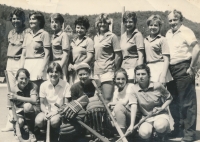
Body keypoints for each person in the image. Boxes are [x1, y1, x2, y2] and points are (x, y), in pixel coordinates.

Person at [166, 10, 199, 142]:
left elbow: (196, 49)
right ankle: (178, 129)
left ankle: (189, 134)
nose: (172, 23)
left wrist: (192, 67)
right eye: (170, 20)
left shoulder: (186, 31)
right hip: (171, 69)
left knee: (187, 102)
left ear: (181, 20)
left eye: (175, 20)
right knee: (174, 102)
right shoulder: (168, 33)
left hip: (183, 67)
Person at [126, 64, 173, 141]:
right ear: (135, 76)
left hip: (160, 115)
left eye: (143, 74)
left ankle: (162, 135)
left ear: (148, 75)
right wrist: (131, 125)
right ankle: (152, 134)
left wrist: (161, 108)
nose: (141, 76)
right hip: (146, 117)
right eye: (138, 74)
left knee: (160, 126)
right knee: (144, 133)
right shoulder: (133, 89)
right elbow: (133, 106)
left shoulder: (157, 86)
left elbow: (169, 98)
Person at [2, 8, 30, 132]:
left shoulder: (27, 32)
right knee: (10, 90)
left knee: (19, 91)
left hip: (20, 61)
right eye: (13, 18)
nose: (15, 21)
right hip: (10, 61)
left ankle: (21, 121)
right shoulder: (11, 33)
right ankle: (10, 121)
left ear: (23, 19)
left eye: (18, 18)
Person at [93, 13, 122, 103]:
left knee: (107, 99)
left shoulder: (113, 37)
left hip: (108, 71)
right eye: (100, 22)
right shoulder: (95, 37)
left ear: (108, 24)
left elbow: (118, 55)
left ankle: (108, 117)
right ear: (97, 24)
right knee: (98, 98)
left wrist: (114, 69)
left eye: (105, 22)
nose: (102, 24)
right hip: (97, 72)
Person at [35, 62, 70, 132]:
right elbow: (41, 104)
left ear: (60, 74)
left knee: (54, 121)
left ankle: (55, 133)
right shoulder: (43, 85)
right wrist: (46, 111)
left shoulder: (66, 85)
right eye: (51, 72)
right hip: (47, 111)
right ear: (48, 73)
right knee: (38, 121)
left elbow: (66, 104)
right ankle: (45, 130)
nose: (53, 74)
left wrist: (55, 112)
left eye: (56, 72)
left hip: (59, 112)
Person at [7, 68, 40, 141]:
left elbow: (34, 100)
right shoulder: (12, 89)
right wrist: (11, 116)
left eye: (26, 78)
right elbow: (10, 107)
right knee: (19, 121)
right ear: (16, 78)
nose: (24, 81)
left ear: (29, 79)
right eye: (21, 78)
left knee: (27, 106)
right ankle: (20, 132)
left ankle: (31, 133)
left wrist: (17, 97)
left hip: (33, 112)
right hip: (20, 113)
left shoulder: (33, 86)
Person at [20, 12, 51, 88]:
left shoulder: (44, 34)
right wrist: (21, 69)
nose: (30, 21)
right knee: (27, 90)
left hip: (39, 64)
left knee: (36, 90)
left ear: (39, 21)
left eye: (33, 19)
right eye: (30, 19)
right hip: (27, 65)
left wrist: (41, 70)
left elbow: (47, 54)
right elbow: (23, 54)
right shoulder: (27, 35)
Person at [144, 15, 173, 85]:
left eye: (155, 25)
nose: (153, 27)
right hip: (149, 68)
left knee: (158, 92)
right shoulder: (145, 40)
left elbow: (166, 59)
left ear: (159, 27)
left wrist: (163, 76)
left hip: (159, 68)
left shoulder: (162, 40)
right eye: (151, 25)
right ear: (148, 26)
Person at [107, 68, 137, 134]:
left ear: (126, 79)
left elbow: (124, 102)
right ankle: (120, 132)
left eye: (123, 79)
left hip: (133, 116)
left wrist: (111, 103)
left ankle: (122, 134)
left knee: (118, 107)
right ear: (114, 80)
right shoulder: (116, 91)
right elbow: (113, 108)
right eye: (118, 79)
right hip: (123, 116)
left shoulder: (130, 86)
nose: (120, 81)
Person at [120, 11, 145, 83]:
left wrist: (138, 72)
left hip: (133, 67)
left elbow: (141, 56)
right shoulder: (123, 36)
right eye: (126, 22)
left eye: (130, 22)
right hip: (124, 68)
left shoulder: (138, 35)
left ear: (135, 23)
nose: (128, 24)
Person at [68, 16, 94, 85]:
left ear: (86, 29)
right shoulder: (72, 41)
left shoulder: (88, 41)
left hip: (83, 71)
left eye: (82, 28)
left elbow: (90, 57)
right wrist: (70, 64)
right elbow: (70, 57)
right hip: (72, 71)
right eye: (78, 27)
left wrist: (79, 66)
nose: (79, 30)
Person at [50, 13, 70, 81]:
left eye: (56, 22)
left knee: (61, 84)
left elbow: (66, 54)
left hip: (61, 63)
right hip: (53, 63)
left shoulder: (64, 35)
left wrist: (60, 67)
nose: (54, 24)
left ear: (61, 24)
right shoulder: (53, 36)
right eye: (52, 22)